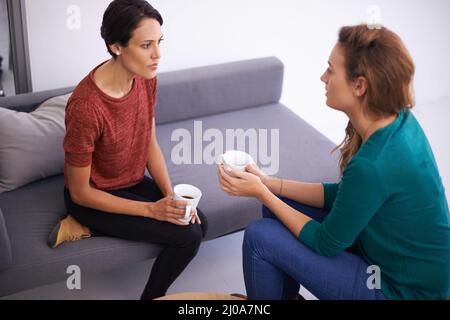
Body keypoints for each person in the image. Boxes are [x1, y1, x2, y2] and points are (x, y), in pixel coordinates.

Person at [217, 24, 450, 300]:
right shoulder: (397, 121)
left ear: (359, 85)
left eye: (330, 70)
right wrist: (269, 183)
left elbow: (325, 242)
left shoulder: (373, 164)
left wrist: (262, 194)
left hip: (397, 290)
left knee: (259, 236)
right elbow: (344, 196)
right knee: (276, 212)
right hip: (390, 261)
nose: (322, 77)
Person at [48, 0, 208, 300]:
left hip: (130, 182)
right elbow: (81, 192)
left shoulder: (145, 78)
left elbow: (149, 142)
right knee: (188, 238)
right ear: (116, 46)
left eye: (159, 42)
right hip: (91, 197)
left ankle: (88, 228)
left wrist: (170, 196)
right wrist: (152, 210)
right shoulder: (86, 107)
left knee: (198, 221)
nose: (158, 54)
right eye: (146, 45)